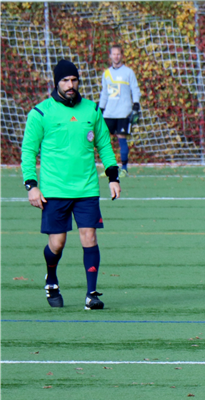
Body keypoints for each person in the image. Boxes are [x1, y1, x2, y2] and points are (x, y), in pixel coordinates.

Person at [21, 59, 121, 310]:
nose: (70, 85)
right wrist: (31, 185)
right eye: (65, 80)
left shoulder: (92, 110)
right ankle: (51, 279)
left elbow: (105, 146)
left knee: (89, 236)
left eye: (74, 80)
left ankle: (91, 294)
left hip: (86, 188)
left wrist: (113, 177)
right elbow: (28, 151)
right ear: (56, 82)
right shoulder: (41, 113)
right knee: (58, 243)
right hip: (54, 190)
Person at [98, 44, 141, 177]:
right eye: (114, 54)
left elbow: (135, 89)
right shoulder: (106, 74)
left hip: (123, 112)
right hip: (109, 113)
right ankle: (109, 168)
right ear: (110, 56)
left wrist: (136, 104)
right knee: (104, 140)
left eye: (118, 54)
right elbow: (104, 93)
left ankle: (124, 168)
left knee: (122, 139)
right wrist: (100, 108)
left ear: (121, 55)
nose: (116, 56)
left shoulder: (128, 72)